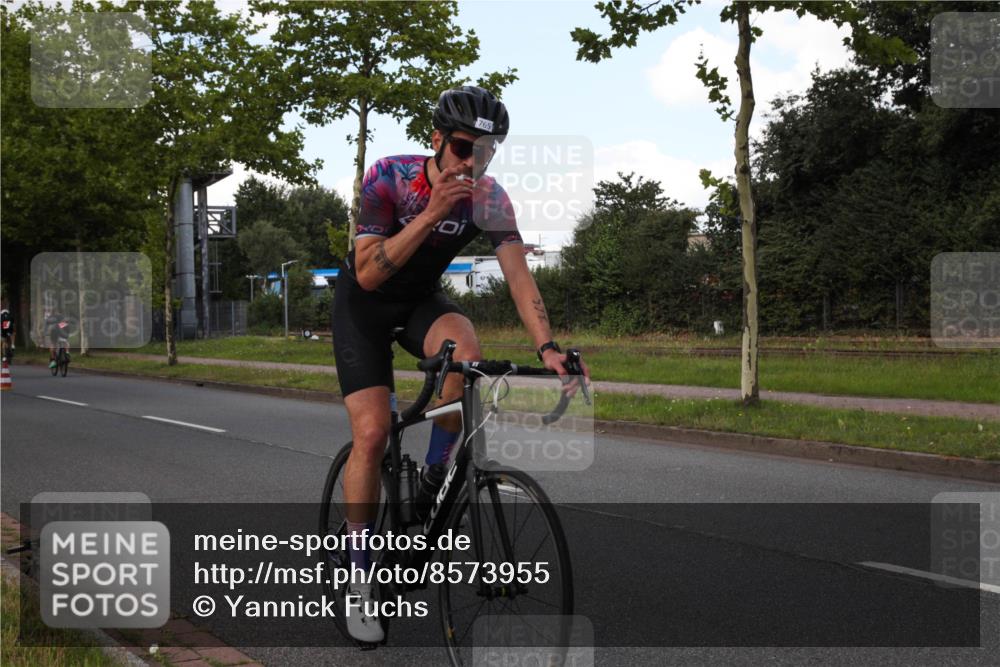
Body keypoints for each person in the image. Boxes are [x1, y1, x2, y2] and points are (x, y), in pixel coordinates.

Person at [332, 85, 590, 643]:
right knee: (373, 433)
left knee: (467, 358)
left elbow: (520, 279)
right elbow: (371, 274)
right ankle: (358, 580)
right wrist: (431, 213)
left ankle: (433, 477)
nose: (472, 162)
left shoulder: (491, 198)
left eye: (486, 151)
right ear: (437, 141)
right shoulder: (389, 177)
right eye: (462, 148)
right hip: (364, 307)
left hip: (420, 302)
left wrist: (548, 349)